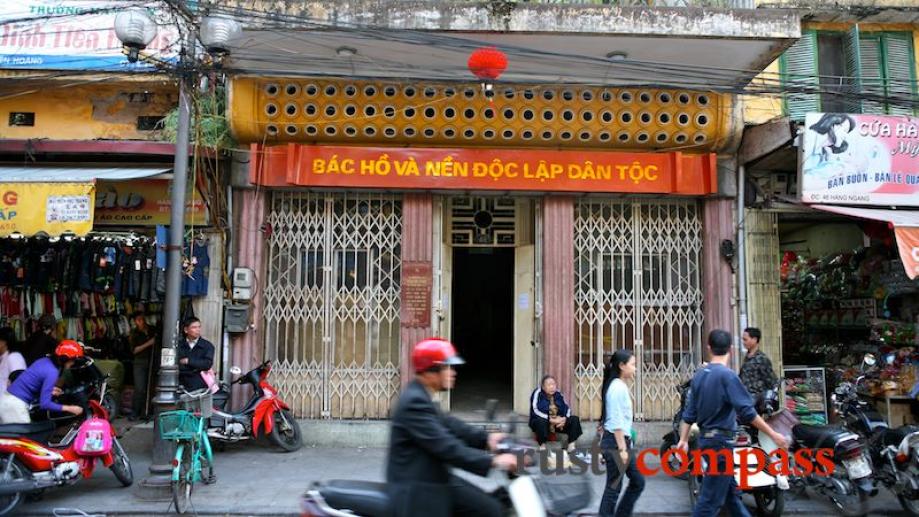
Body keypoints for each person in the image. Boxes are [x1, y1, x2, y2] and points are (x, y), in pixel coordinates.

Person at [386, 338, 518, 517]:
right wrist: (494, 461)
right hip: (418, 488)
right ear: (430, 372)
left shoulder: (421, 395)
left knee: (497, 500)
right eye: (447, 367)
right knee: (491, 510)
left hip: (434, 477)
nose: (453, 372)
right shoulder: (414, 402)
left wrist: (487, 439)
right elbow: (447, 447)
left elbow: (451, 424)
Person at [677, 330, 789, 517]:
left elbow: (689, 414)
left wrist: (683, 439)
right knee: (709, 503)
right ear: (730, 349)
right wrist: (774, 434)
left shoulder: (699, 375)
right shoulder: (728, 376)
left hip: (707, 441)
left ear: (709, 348)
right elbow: (748, 412)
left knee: (732, 497)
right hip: (721, 444)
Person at [598, 349, 644, 517]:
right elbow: (616, 421)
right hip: (617, 444)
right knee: (614, 488)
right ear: (622, 366)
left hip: (619, 442)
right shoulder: (617, 387)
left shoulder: (618, 385)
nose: (635, 368)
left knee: (636, 482)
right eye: (632, 365)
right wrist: (623, 449)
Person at [0, 340, 85, 424]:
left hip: (7, 399)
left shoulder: (44, 361)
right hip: (14, 406)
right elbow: (45, 404)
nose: (73, 363)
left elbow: (32, 381)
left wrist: (49, 390)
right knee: (24, 437)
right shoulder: (52, 371)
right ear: (64, 358)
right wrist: (71, 408)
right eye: (73, 359)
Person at [529, 374, 583, 453]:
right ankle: (542, 445)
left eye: (553, 384)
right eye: (549, 385)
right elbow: (535, 410)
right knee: (540, 421)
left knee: (574, 419)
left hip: (558, 423)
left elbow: (566, 408)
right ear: (543, 387)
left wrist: (564, 419)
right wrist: (550, 419)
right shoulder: (537, 393)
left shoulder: (558, 394)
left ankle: (571, 445)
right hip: (545, 422)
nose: (552, 387)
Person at [129, 313, 156, 419]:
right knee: (139, 388)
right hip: (140, 362)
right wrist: (149, 343)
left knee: (150, 387)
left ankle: (147, 411)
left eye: (142, 319)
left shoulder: (152, 330)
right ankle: (135, 411)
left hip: (152, 361)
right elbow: (134, 350)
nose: (140, 322)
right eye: (138, 320)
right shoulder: (134, 333)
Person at [177, 317, 215, 392]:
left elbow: (207, 364)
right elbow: (177, 363)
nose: (198, 330)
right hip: (180, 383)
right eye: (194, 327)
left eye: (199, 327)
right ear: (186, 330)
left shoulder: (207, 346)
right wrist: (197, 364)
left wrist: (188, 361)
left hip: (198, 385)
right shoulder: (178, 345)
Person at [739, 327, 778, 399]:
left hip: (758, 401)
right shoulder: (747, 357)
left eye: (745, 340)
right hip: (746, 398)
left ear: (754, 340)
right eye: (743, 340)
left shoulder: (762, 359)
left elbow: (771, 382)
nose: (743, 342)